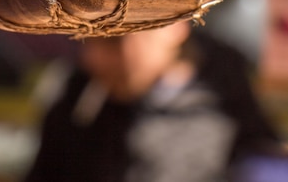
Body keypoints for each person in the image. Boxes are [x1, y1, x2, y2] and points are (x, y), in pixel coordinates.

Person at [24, 21, 285, 182]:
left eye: (114, 41)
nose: (93, 58)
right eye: (85, 39)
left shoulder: (224, 89)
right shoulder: (81, 94)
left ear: (173, 26)